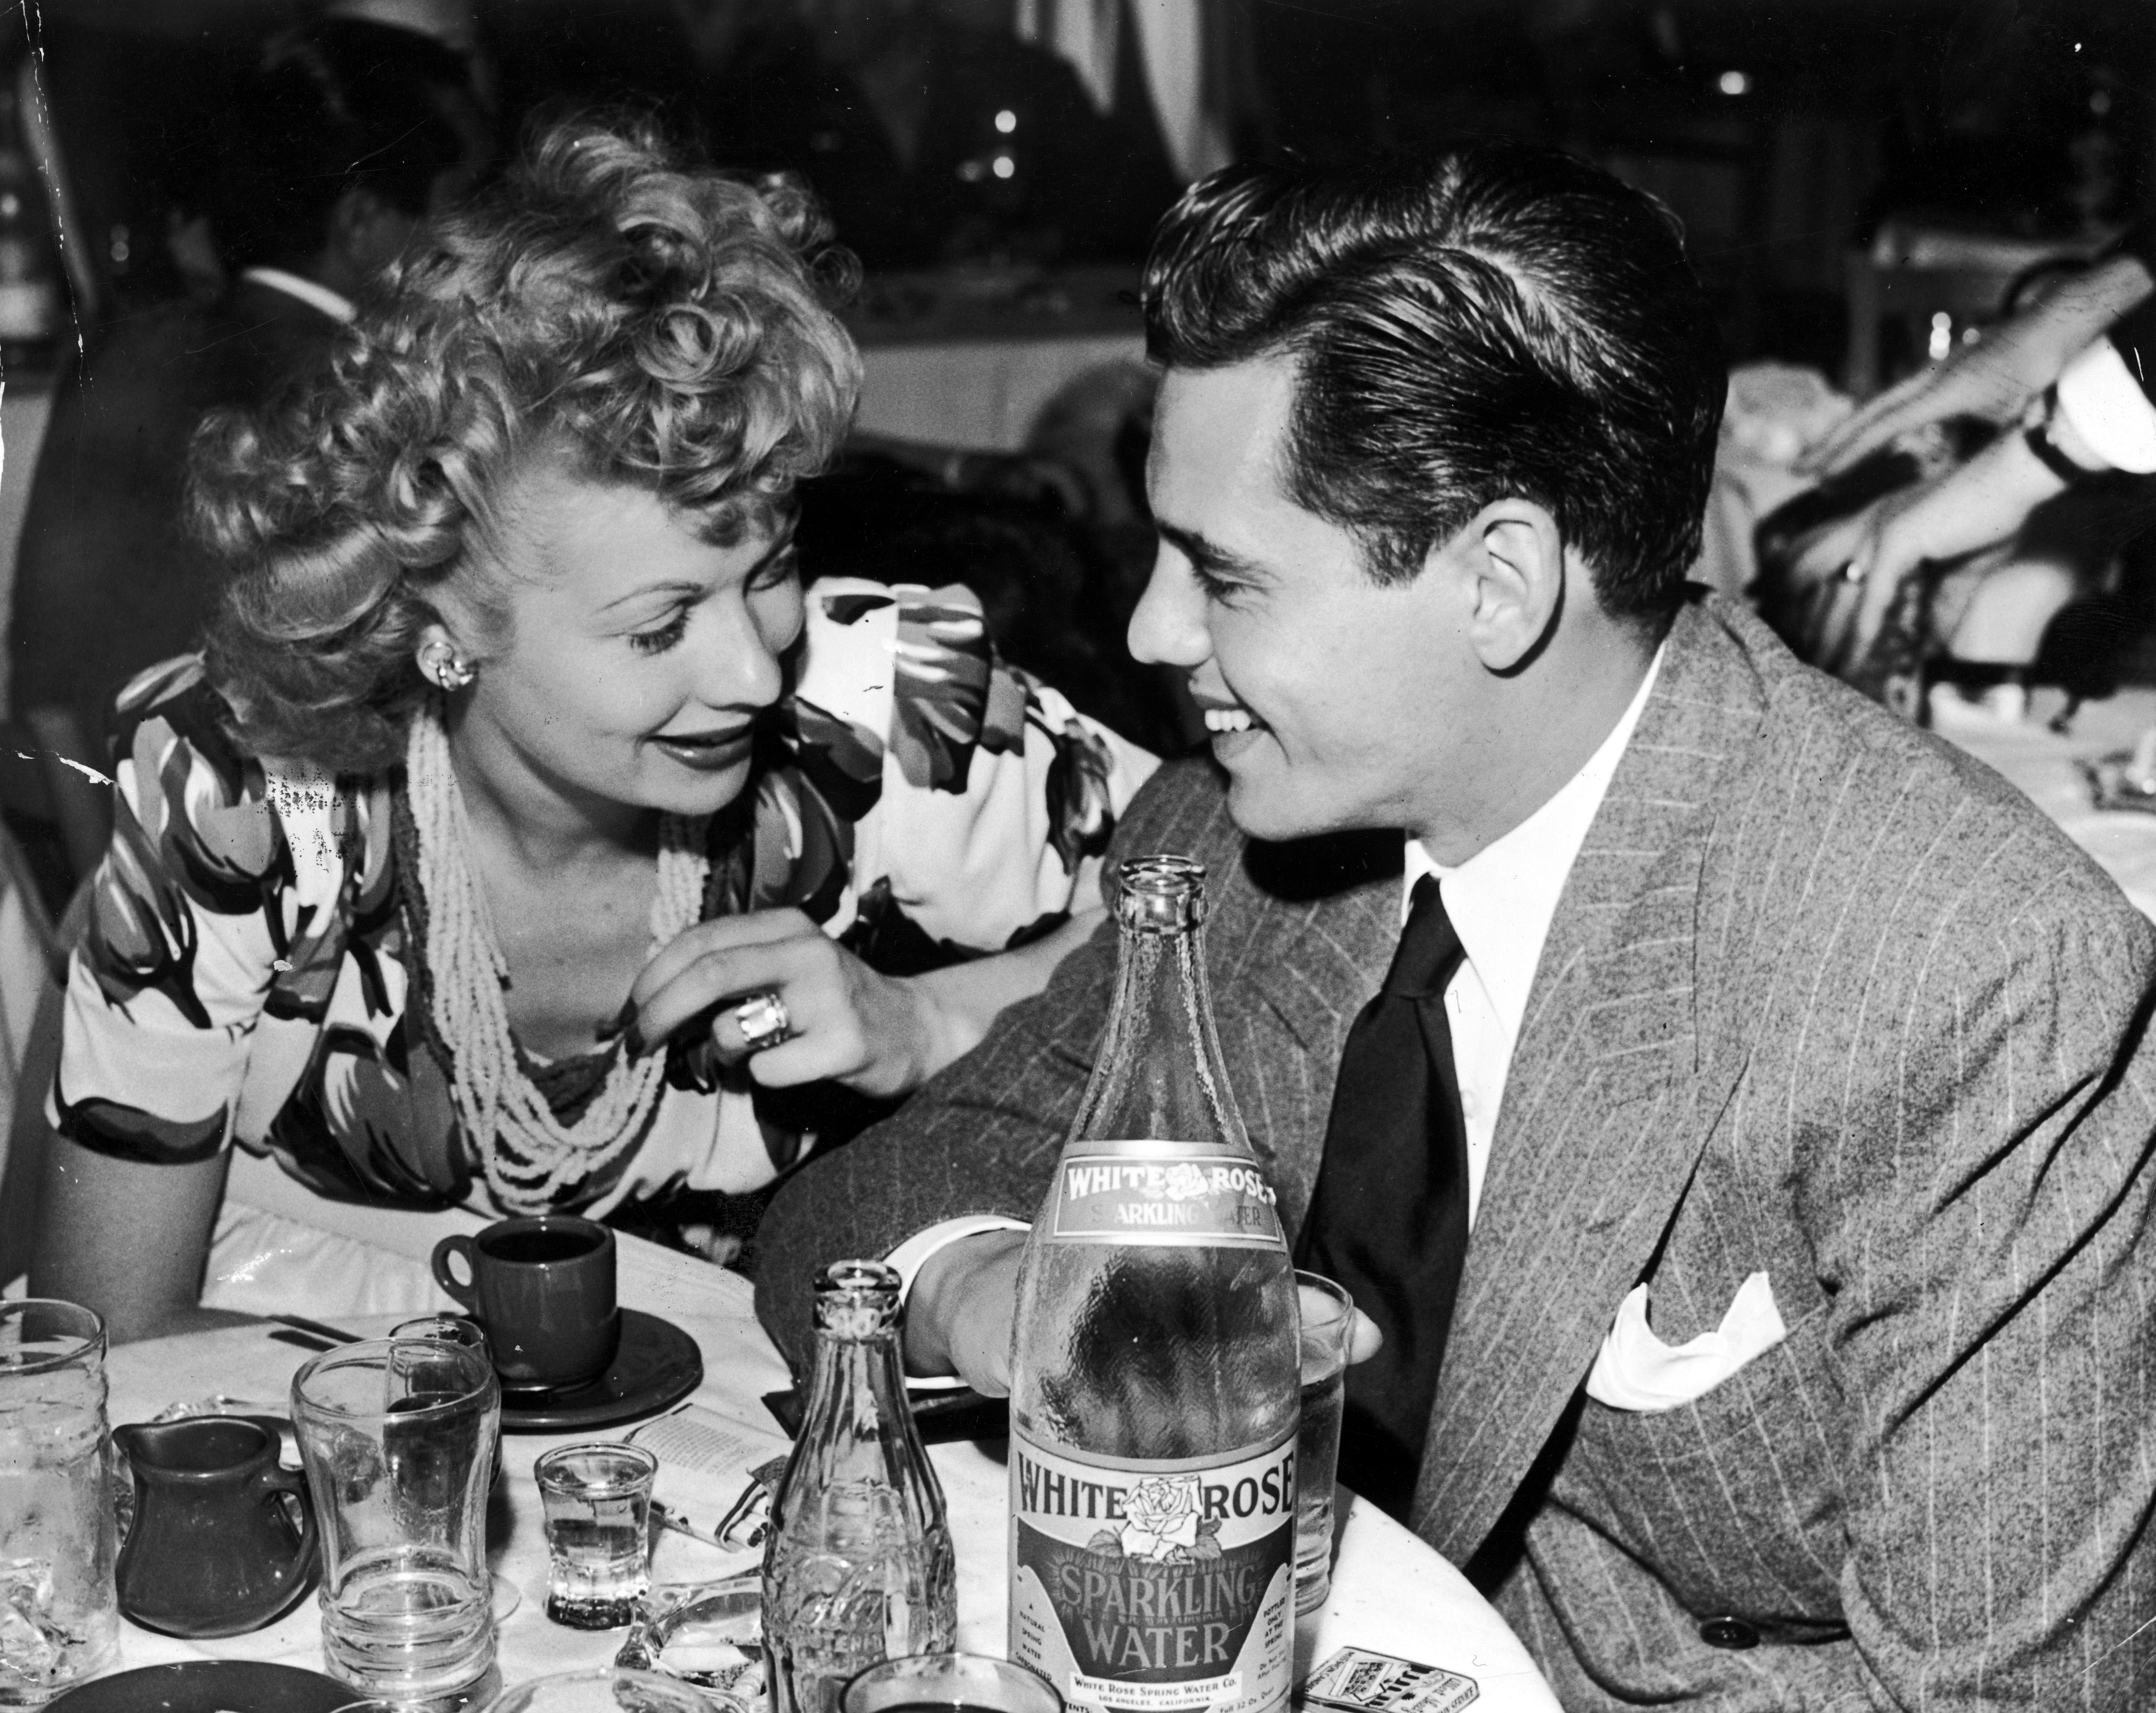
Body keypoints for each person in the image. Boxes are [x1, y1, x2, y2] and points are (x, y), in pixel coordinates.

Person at [756, 144, 2156, 1707]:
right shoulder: (1240, 832)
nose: (1150, 631)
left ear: (1498, 582)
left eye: (1223, 575)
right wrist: (994, 1291)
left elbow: (2007, 1698)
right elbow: (870, 1201)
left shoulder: (1971, 973)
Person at [29, 114, 1153, 1345]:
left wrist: (925, 1021)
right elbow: (111, 1339)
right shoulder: (247, 791)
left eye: (769, 570)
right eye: (659, 627)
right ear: (441, 621)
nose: (752, 672)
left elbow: (1236, 909)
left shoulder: (878, 707)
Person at [10, 17, 492, 761]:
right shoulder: (377, 392)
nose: (481, 242)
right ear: (362, 222)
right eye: (461, 205)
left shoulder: (129, 352)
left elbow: (49, 701)